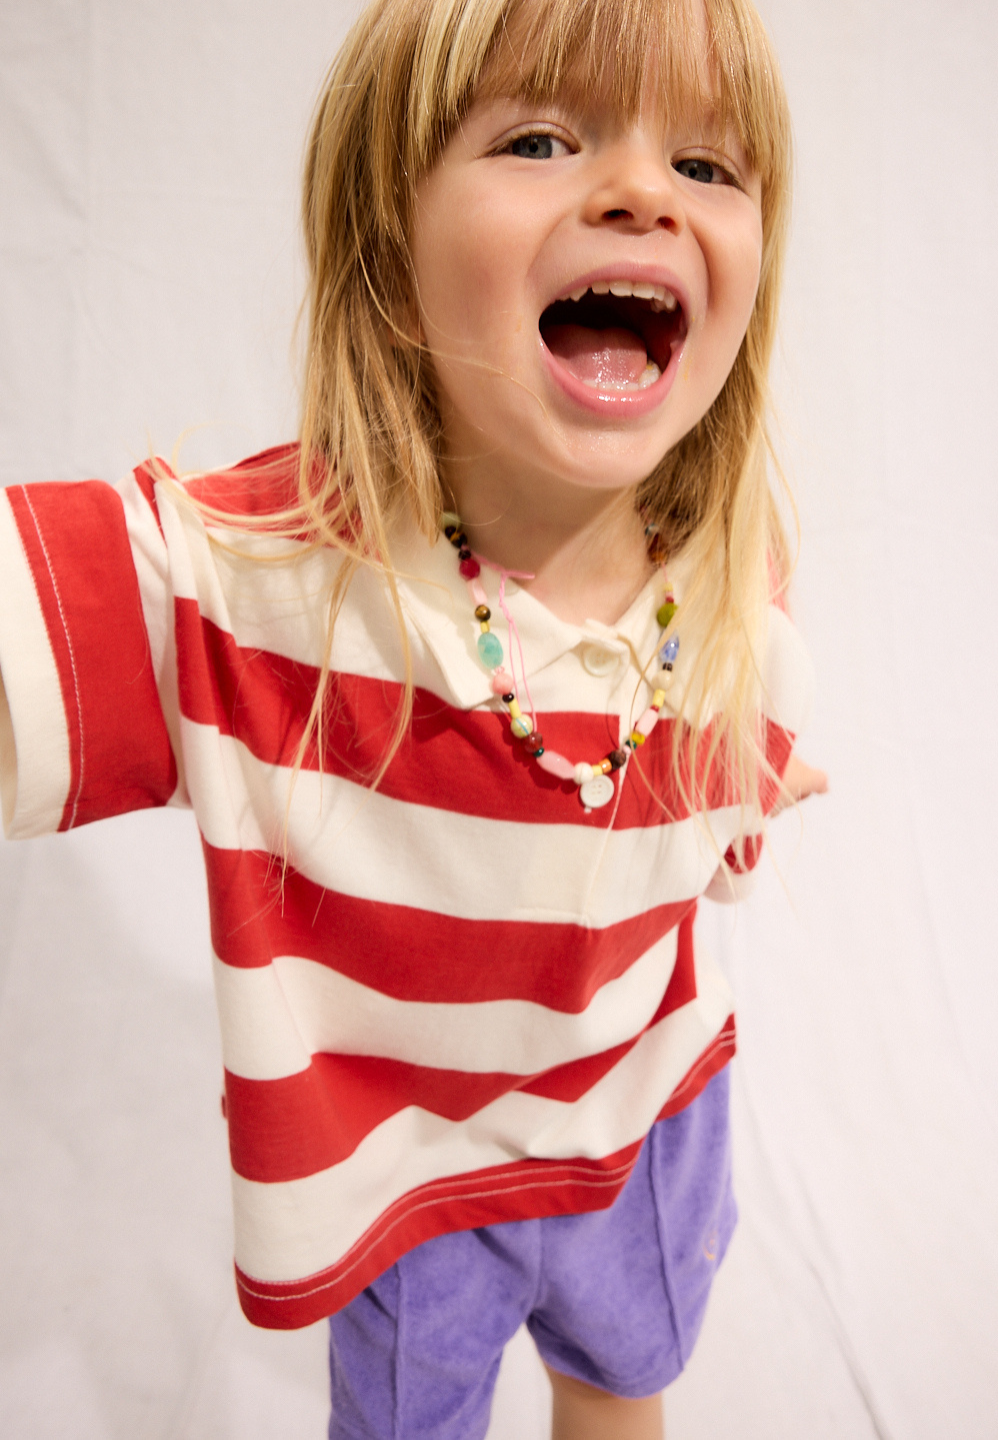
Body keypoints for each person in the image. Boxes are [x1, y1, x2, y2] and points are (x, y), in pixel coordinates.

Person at [0, 0, 827, 1435]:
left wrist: (760, 775)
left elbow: (718, 767)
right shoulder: (260, 583)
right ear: (390, 249)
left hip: (650, 1115)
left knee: (622, 1389)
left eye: (706, 165)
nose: (644, 190)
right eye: (541, 138)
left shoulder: (729, 571)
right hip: (411, 1180)